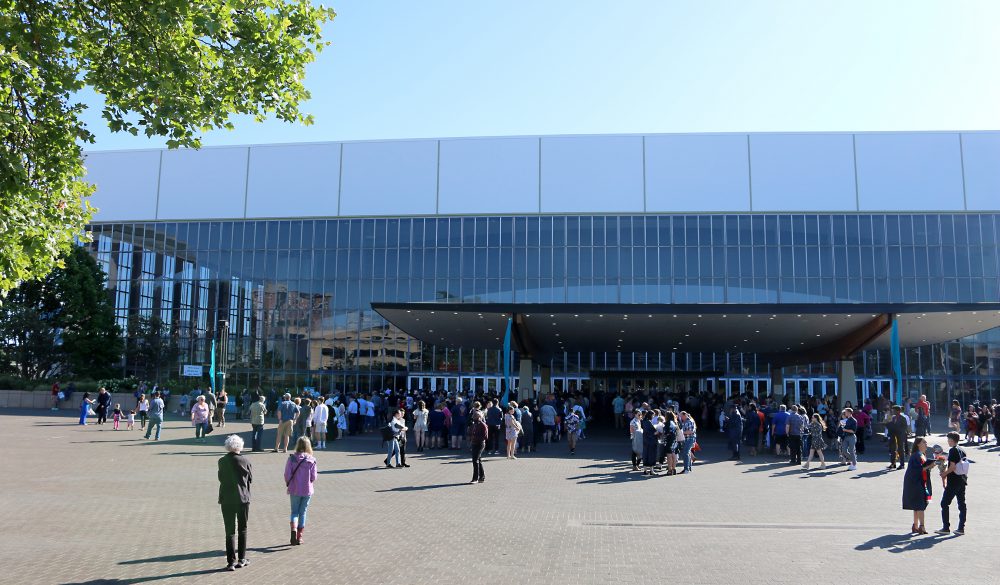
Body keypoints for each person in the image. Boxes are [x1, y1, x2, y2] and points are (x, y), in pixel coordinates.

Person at [218, 434, 252, 571]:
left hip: (226, 498)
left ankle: (230, 561)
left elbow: (220, 478)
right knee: (242, 528)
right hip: (242, 498)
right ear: (240, 446)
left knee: (229, 530)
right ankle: (242, 558)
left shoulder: (221, 461)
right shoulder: (245, 461)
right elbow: (250, 479)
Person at [285, 437, 318, 546]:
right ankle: (299, 537)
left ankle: (293, 529)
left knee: (294, 512)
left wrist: (289, 482)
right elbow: (314, 477)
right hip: (307, 489)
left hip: (294, 488)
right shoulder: (312, 460)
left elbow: (287, 474)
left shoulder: (292, 458)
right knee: (302, 512)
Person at [935, 432, 968, 535]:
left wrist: (944, 473)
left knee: (944, 503)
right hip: (962, 480)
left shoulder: (953, 450)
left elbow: (953, 467)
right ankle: (961, 528)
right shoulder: (962, 449)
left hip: (953, 481)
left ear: (951, 440)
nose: (947, 441)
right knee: (961, 504)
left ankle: (946, 527)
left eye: (948, 439)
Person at [902, 437, 935, 534]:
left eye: (926, 442)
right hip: (915, 482)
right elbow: (917, 470)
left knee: (917, 505)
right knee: (920, 504)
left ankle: (915, 525)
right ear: (918, 444)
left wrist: (930, 466)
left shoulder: (921, 455)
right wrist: (929, 466)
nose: (926, 444)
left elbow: (923, 468)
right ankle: (922, 527)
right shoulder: (916, 456)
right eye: (924, 442)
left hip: (919, 481)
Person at [468, 410, 488, 483]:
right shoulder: (474, 424)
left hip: (480, 444)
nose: (474, 418)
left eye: (475, 416)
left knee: (475, 460)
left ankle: (475, 478)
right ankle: (482, 477)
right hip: (474, 443)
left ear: (480, 417)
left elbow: (485, 436)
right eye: (474, 416)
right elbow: (471, 433)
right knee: (478, 460)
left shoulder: (483, 425)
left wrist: (476, 437)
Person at [886, 405, 908, 470]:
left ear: (898, 411)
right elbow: (892, 425)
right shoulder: (893, 417)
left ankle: (902, 464)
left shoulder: (903, 418)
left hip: (900, 436)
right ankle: (893, 463)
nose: (892, 411)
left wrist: (897, 429)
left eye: (894, 410)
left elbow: (904, 428)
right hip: (893, 435)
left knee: (900, 450)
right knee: (892, 449)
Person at [640, 410, 658, 475]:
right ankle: (651, 470)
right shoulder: (649, 422)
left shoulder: (643, 421)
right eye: (653, 415)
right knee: (651, 455)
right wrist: (657, 432)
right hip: (651, 441)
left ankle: (645, 470)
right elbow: (653, 432)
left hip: (645, 440)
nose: (653, 416)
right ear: (650, 415)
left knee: (645, 454)